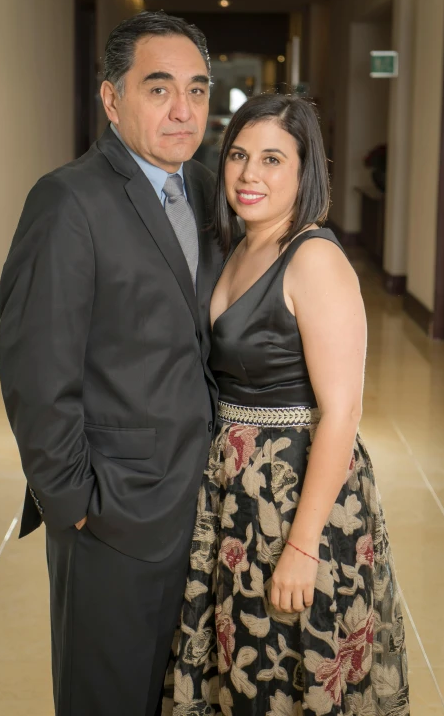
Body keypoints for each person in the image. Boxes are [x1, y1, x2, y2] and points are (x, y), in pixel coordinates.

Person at [0, 11, 224, 716]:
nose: (183, 110)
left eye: (198, 89)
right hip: (114, 516)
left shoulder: (210, 191)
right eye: (159, 89)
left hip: (202, 503)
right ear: (111, 98)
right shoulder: (68, 201)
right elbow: (37, 374)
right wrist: (78, 507)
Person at [171, 94, 409, 716]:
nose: (250, 175)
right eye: (239, 156)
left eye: (273, 159)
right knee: (246, 663)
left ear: (305, 172)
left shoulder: (315, 257)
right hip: (238, 494)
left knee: (291, 666)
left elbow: (343, 412)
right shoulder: (237, 246)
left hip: (297, 499)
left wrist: (302, 546)